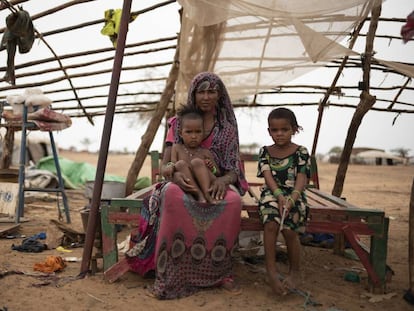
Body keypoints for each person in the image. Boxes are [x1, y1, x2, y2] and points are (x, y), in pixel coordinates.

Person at [125, 72, 249, 299]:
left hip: (213, 181)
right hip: (180, 179)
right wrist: (174, 176)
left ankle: (220, 272)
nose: (206, 96)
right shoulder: (177, 123)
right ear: (193, 93)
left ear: (220, 94)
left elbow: (232, 169)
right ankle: (172, 270)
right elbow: (166, 165)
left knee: (232, 202)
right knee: (172, 195)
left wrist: (222, 181)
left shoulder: (228, 128)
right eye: (201, 91)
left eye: (212, 91)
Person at [256, 107, 311, 296]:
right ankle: (271, 272)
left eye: (284, 129)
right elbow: (267, 176)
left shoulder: (301, 152)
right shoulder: (265, 151)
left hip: (295, 194)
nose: (279, 134)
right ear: (269, 131)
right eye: (274, 130)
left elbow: (302, 178)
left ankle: (294, 271)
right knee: (270, 224)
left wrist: (291, 198)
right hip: (272, 193)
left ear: (294, 129)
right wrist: (279, 196)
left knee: (289, 229)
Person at [164, 106, 221, 204]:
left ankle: (207, 195)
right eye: (189, 132)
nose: (194, 136)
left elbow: (217, 173)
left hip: (205, 183)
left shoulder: (205, 152)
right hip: (188, 182)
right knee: (180, 164)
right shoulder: (177, 148)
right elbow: (173, 163)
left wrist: (212, 168)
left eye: (198, 132)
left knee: (197, 162)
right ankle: (198, 195)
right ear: (181, 133)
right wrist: (169, 166)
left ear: (203, 133)